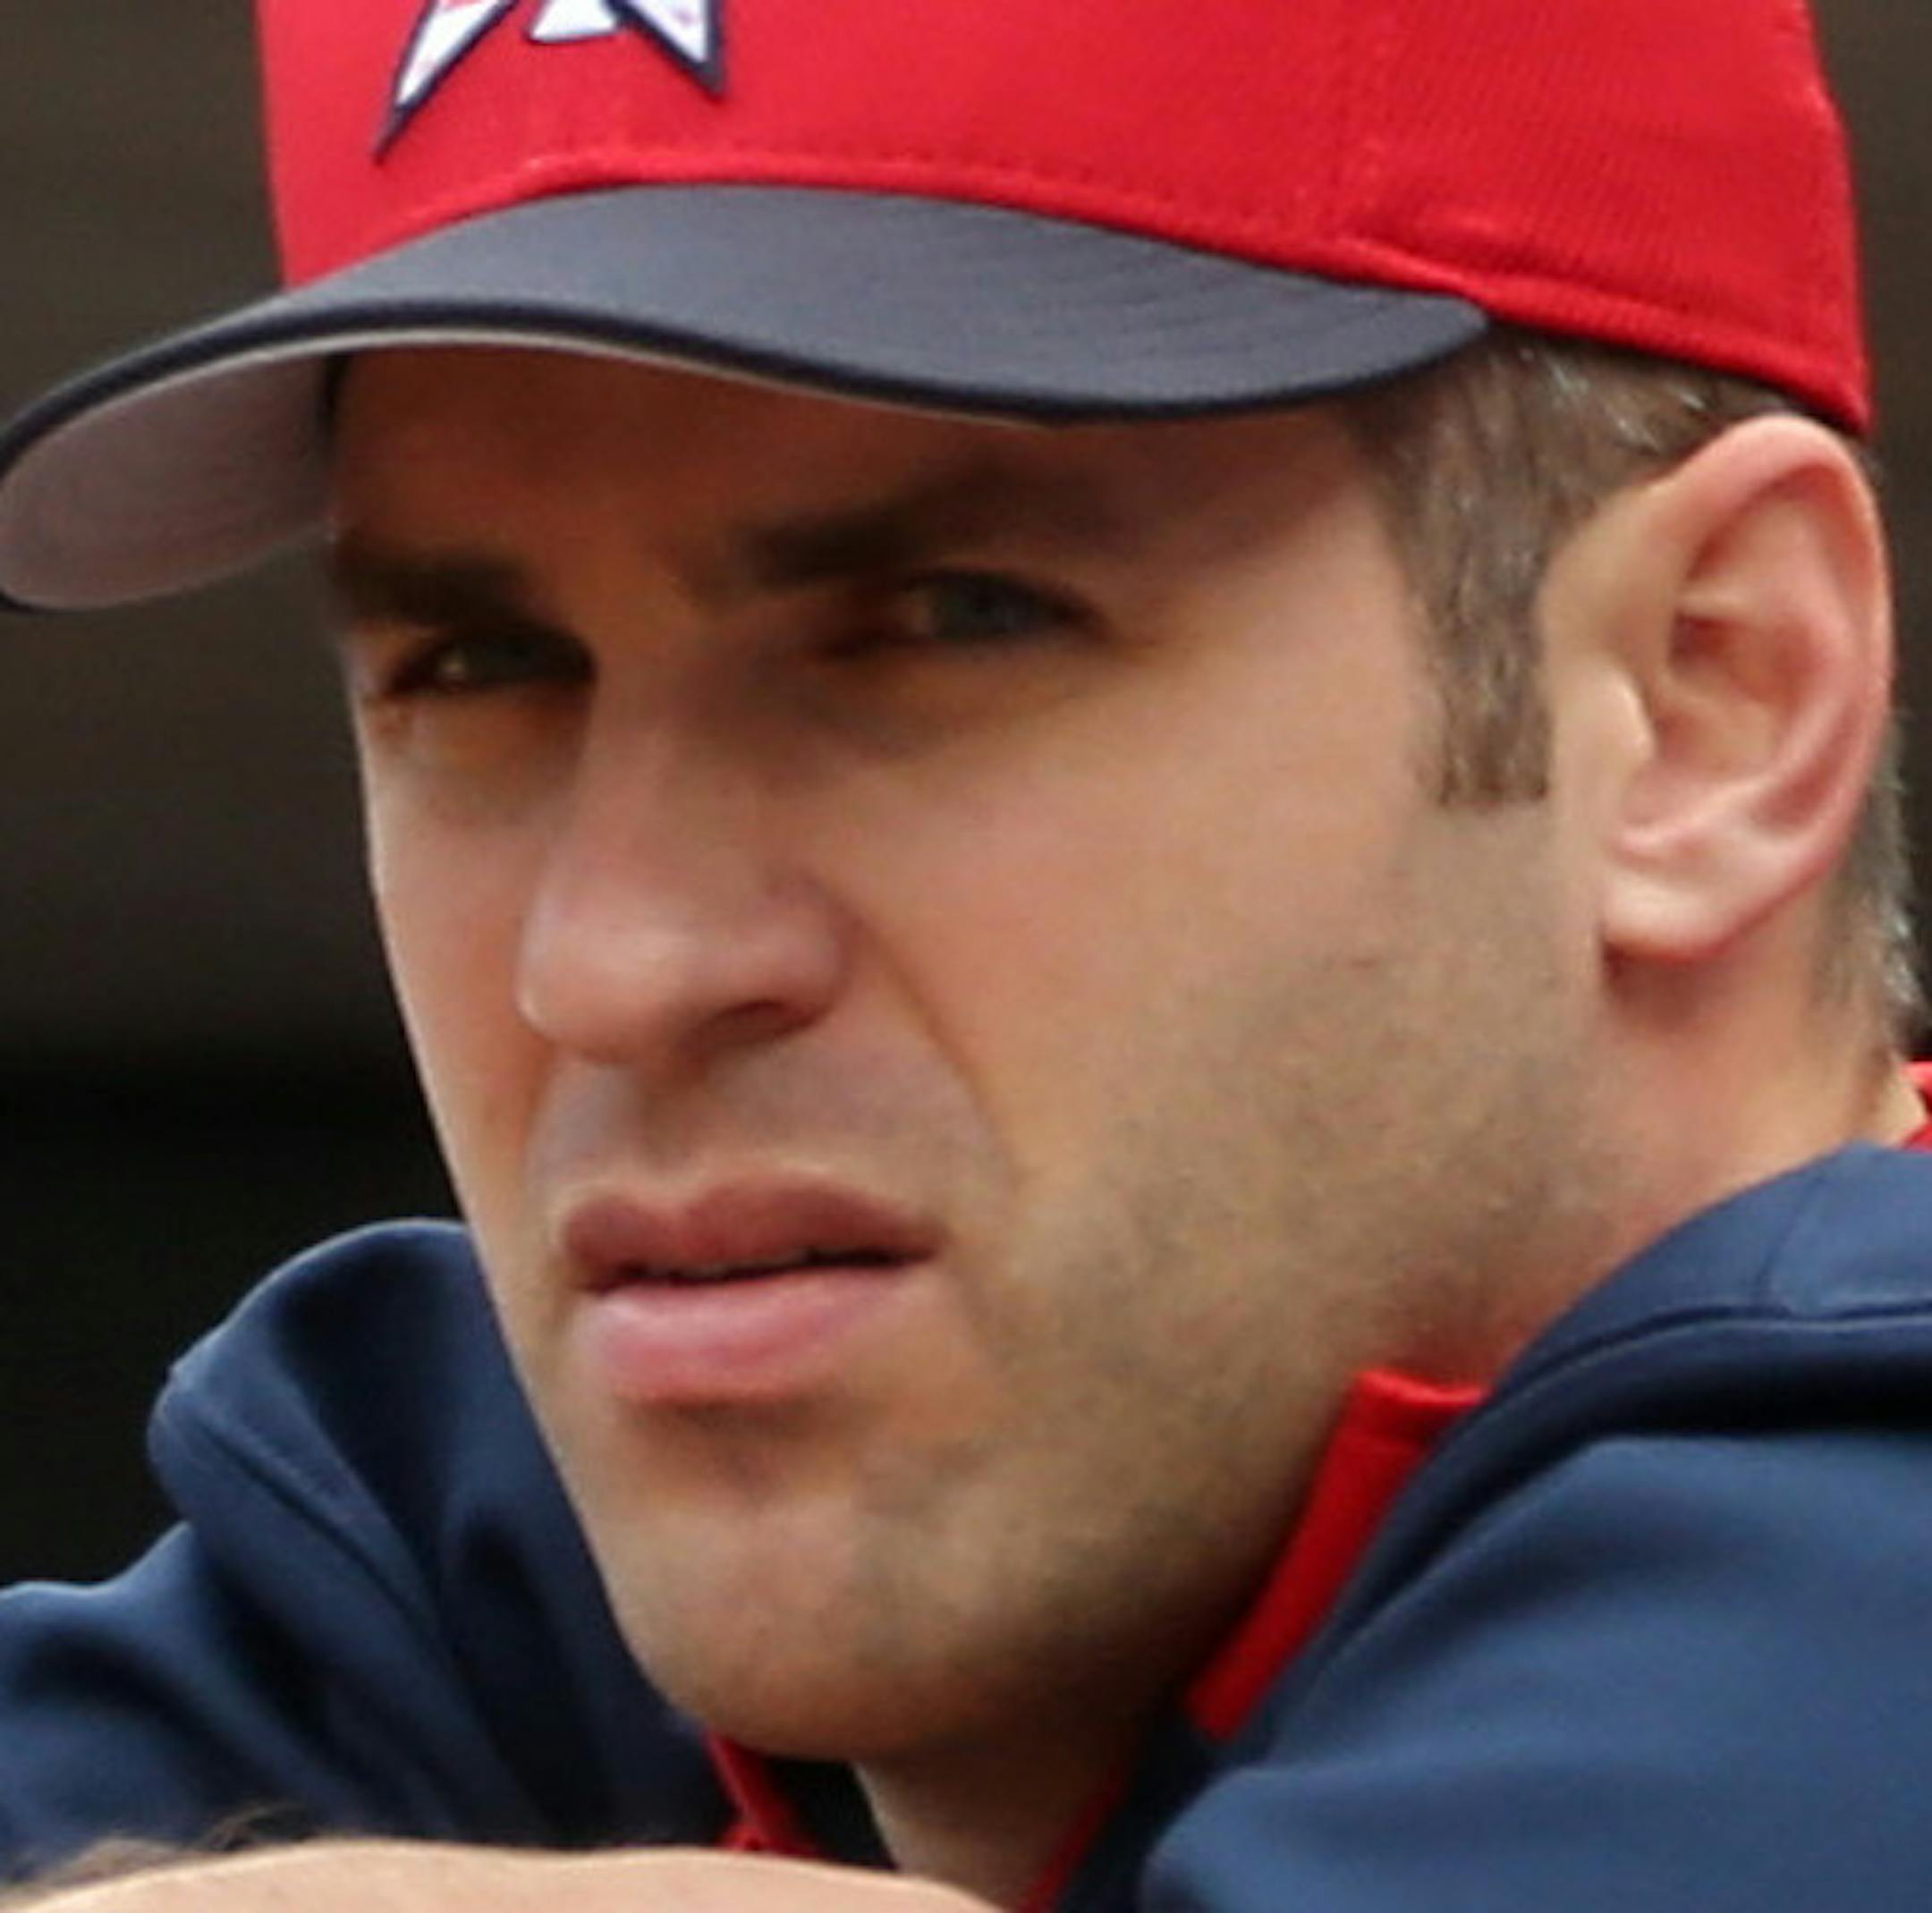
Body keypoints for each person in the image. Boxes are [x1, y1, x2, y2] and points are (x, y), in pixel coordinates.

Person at [4, 0, 1932, 1906]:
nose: (614, 962)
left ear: (1709, 701)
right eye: (482, 668)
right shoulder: (463, 1524)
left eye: (944, 622)